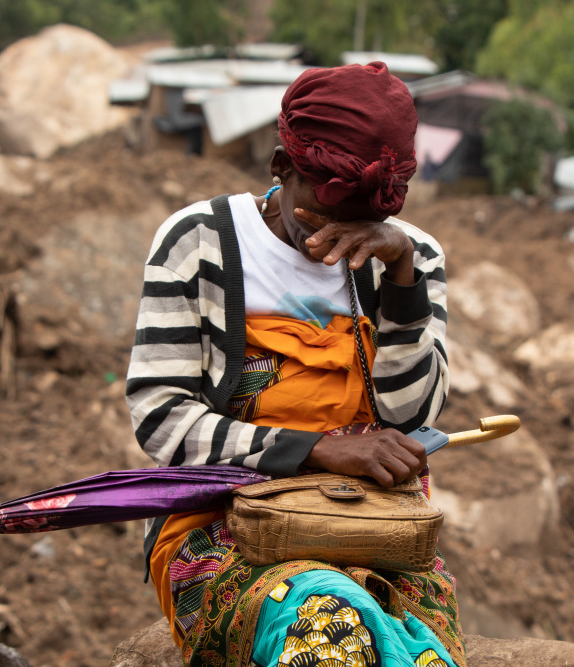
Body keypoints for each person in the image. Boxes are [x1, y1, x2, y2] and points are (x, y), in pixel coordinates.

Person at [126, 62, 460, 666]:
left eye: (366, 216)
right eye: (325, 207)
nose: (343, 231)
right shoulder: (197, 243)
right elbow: (162, 421)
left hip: (376, 526)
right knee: (324, 630)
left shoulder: (411, 253)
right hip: (228, 524)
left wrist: (404, 278)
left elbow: (411, 416)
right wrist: (317, 448)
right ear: (281, 166)